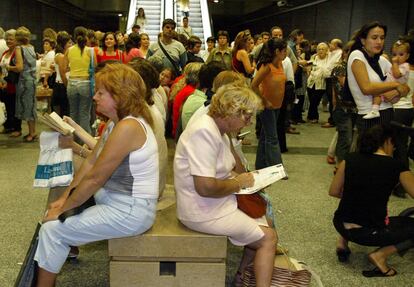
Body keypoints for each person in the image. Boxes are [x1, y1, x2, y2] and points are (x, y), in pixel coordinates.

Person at [34, 63, 159, 287]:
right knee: (55, 220)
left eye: (101, 92)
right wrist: (63, 201)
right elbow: (91, 161)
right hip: (117, 202)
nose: (94, 97)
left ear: (120, 96)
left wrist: (62, 209)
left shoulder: (129, 126)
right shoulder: (117, 122)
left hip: (130, 211)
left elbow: (95, 178)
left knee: (52, 231)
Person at [174, 83, 276, 287]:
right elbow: (205, 187)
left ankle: (242, 276)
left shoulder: (217, 128)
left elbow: (232, 166)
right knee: (269, 238)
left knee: (266, 221)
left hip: (212, 202)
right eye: (246, 117)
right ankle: (247, 277)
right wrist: (238, 183)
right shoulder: (204, 131)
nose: (248, 123)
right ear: (231, 112)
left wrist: (249, 179)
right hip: (201, 210)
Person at [330, 124, 414, 277]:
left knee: (353, 207)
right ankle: (380, 256)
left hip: (340, 224)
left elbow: (334, 191)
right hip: (368, 233)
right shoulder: (397, 166)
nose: (394, 149)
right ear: (387, 141)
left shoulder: (349, 159)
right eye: (394, 144)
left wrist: (358, 195)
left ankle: (342, 243)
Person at [347, 21, 409, 135]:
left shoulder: (382, 60)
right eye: (374, 37)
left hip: (388, 113)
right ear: (363, 40)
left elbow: (406, 88)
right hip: (369, 116)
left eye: (382, 37)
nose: (379, 42)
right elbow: (366, 88)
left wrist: (397, 91)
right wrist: (396, 86)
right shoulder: (357, 55)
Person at [252, 38, 287, 169]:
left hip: (277, 105)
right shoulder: (266, 66)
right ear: (277, 51)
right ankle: (277, 168)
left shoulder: (280, 64)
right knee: (272, 137)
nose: (286, 53)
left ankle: (260, 164)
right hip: (266, 107)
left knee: (265, 136)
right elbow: (253, 85)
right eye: (284, 51)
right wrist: (264, 101)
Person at [364, 41, 410, 119]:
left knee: (377, 93)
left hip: (393, 89)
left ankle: (375, 110)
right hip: (391, 88)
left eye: (401, 54)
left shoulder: (404, 66)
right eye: (394, 54)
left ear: (407, 56)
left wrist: (394, 63)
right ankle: (375, 110)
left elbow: (397, 75)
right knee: (377, 94)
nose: (397, 57)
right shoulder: (396, 65)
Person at [65, 26, 96, 134]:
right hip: (85, 83)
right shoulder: (90, 51)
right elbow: (95, 67)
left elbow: (65, 68)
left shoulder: (69, 50)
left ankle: (73, 139)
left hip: (72, 83)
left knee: (73, 113)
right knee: (84, 114)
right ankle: (86, 142)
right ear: (86, 37)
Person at [13, 26, 37, 142]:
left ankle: (32, 133)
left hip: (24, 80)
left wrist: (7, 67)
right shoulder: (31, 48)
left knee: (27, 107)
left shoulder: (19, 48)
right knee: (31, 106)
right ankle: (32, 131)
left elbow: (19, 67)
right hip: (32, 80)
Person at [0, 29, 21, 136]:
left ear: (16, 40)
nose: (8, 41)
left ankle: (17, 129)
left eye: (11, 39)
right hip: (3, 83)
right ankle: (8, 126)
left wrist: (9, 68)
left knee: (15, 106)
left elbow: (19, 69)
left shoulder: (17, 52)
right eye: (7, 39)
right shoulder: (5, 52)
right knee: (7, 106)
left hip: (14, 84)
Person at [306, 42, 330, 123]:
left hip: (321, 84)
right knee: (311, 100)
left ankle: (314, 117)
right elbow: (309, 65)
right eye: (319, 49)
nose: (321, 51)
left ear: (326, 50)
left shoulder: (328, 59)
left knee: (314, 101)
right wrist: (308, 70)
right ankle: (311, 117)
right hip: (311, 82)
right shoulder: (314, 57)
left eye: (323, 49)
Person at [52, 31, 71, 117]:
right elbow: (63, 73)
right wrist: (67, 86)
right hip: (61, 85)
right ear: (64, 44)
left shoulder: (63, 55)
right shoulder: (60, 56)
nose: (71, 45)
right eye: (69, 43)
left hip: (61, 84)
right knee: (63, 112)